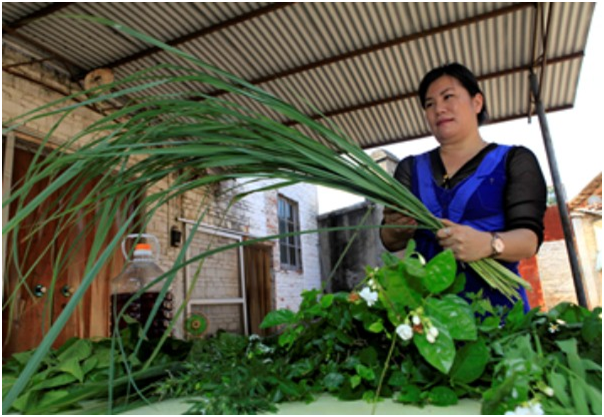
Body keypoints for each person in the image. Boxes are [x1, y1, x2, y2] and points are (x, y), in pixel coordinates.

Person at [380, 63, 547, 312]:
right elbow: (389, 239)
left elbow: (528, 240)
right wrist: (398, 228)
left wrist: (489, 244)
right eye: (429, 104)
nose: (439, 109)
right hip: (430, 316)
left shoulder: (515, 160)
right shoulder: (410, 168)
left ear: (476, 102)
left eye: (448, 97)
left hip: (498, 316)